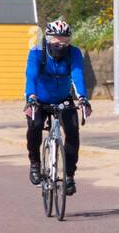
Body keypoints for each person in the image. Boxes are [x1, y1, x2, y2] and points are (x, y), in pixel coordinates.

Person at [25, 19, 91, 196]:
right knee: (35, 126)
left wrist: (83, 98)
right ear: (48, 38)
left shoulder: (74, 53)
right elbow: (30, 76)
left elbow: (77, 75)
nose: (61, 44)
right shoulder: (37, 52)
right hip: (38, 99)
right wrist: (30, 97)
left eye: (65, 40)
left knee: (72, 132)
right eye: (56, 39)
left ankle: (69, 176)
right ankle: (35, 164)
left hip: (63, 98)